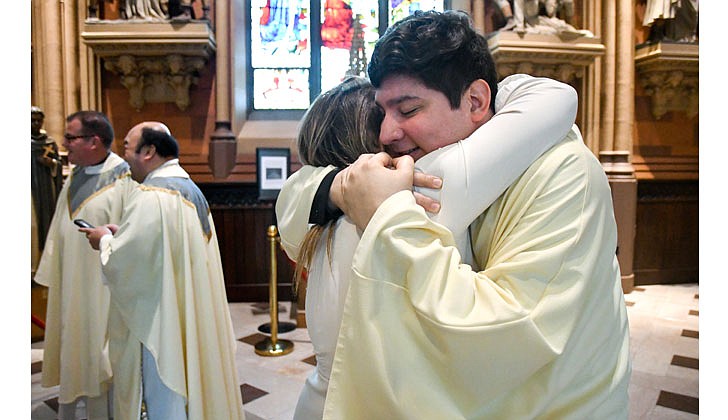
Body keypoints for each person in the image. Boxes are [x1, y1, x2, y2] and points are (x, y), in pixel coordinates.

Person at [277, 10, 631, 419]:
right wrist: (341, 187)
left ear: (477, 101)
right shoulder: (422, 171)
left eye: (407, 110)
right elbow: (298, 195)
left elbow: (511, 330)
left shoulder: (563, 173)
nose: (386, 134)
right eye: (382, 113)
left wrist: (388, 217)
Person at [80, 122, 245, 420]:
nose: (124, 154)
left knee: (162, 398)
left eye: (127, 147)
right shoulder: (189, 189)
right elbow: (161, 251)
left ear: (149, 151)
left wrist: (104, 240)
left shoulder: (151, 196)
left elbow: (126, 264)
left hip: (161, 323)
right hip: (187, 311)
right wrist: (123, 236)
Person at [34, 110, 133, 419]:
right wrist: (53, 270)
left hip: (102, 289)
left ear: (94, 141)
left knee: (100, 348)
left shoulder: (124, 177)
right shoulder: (75, 174)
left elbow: (131, 233)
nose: (65, 144)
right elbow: (59, 228)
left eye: (71, 137)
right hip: (72, 284)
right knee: (74, 342)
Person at [31, 106, 63, 257]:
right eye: (32, 121)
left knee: (47, 219)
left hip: (45, 189)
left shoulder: (49, 142)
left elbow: (58, 163)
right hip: (30, 190)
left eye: (39, 120)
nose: (36, 123)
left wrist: (51, 163)